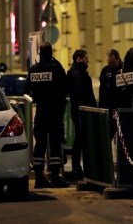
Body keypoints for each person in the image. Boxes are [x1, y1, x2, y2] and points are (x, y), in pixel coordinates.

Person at [28, 42, 70, 188]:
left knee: (40, 144)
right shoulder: (56, 68)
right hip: (54, 112)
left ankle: (39, 178)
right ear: (51, 53)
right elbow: (65, 87)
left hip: (41, 112)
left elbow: (27, 89)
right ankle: (55, 177)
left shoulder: (33, 69)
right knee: (54, 144)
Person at [67, 49, 96, 180]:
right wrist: (87, 108)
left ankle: (77, 167)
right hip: (81, 111)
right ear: (79, 59)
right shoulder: (78, 74)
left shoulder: (77, 72)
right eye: (85, 58)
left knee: (80, 139)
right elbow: (81, 94)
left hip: (79, 110)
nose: (87, 60)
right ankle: (77, 168)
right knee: (80, 139)